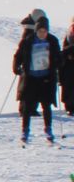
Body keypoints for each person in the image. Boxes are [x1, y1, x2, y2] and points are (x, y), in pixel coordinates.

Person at [14, 12, 60, 145]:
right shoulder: (28, 41)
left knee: (46, 105)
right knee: (27, 106)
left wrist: (57, 62)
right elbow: (18, 55)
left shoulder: (52, 40)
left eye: (45, 31)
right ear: (36, 30)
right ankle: (25, 130)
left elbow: (58, 56)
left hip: (46, 78)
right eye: (40, 31)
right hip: (31, 77)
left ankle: (48, 129)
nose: (42, 33)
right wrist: (16, 66)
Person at [62, 14, 74, 118]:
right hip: (69, 65)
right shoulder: (69, 33)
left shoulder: (69, 33)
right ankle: (70, 107)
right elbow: (65, 50)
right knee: (69, 87)